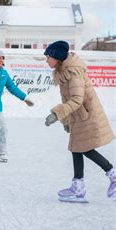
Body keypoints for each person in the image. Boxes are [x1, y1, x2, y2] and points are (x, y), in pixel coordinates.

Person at [43, 40, 115, 202]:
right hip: (79, 117)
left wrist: (57, 114)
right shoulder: (63, 72)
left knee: (85, 149)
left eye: (48, 57)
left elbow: (76, 99)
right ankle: (78, 187)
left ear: (57, 57)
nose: (46, 60)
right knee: (76, 148)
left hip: (87, 116)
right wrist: (67, 121)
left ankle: (113, 175)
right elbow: (67, 98)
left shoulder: (73, 73)